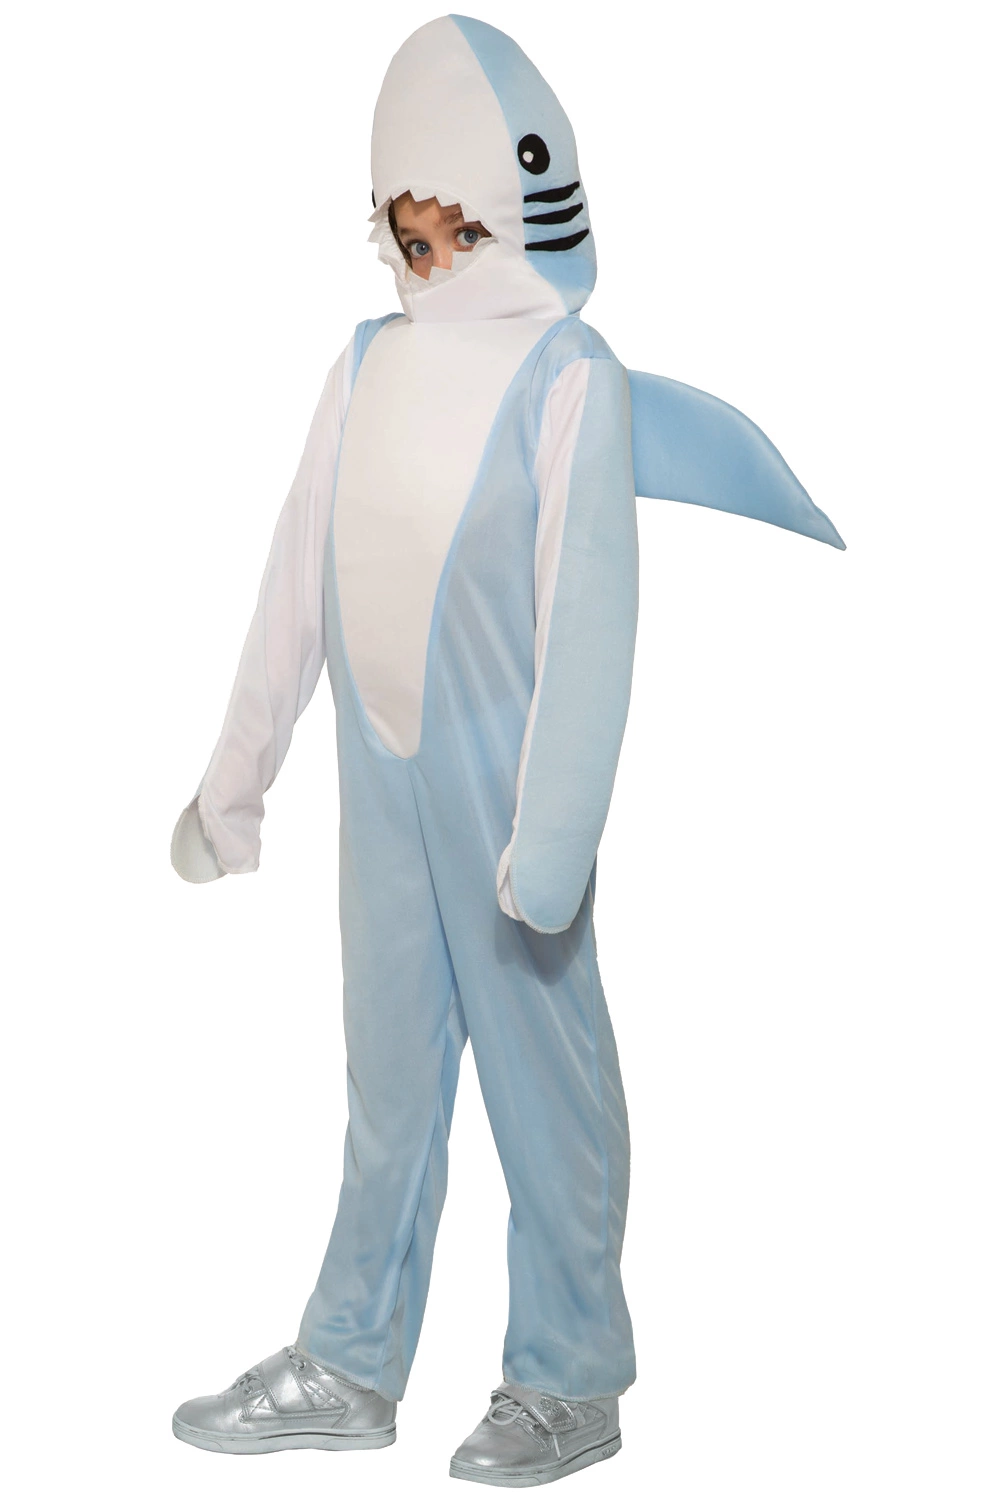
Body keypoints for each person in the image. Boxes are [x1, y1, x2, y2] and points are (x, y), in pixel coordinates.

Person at [170, 13, 842, 1488]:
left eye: (451, 227)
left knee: (548, 1084)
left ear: (518, 203)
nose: (425, 258)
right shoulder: (362, 365)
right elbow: (294, 583)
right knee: (387, 1084)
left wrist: (554, 835)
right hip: (380, 793)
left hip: (508, 797)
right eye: (402, 231)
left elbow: (590, 618)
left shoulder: (567, 377)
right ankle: (352, 1357)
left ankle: (569, 1375)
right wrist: (236, 777)